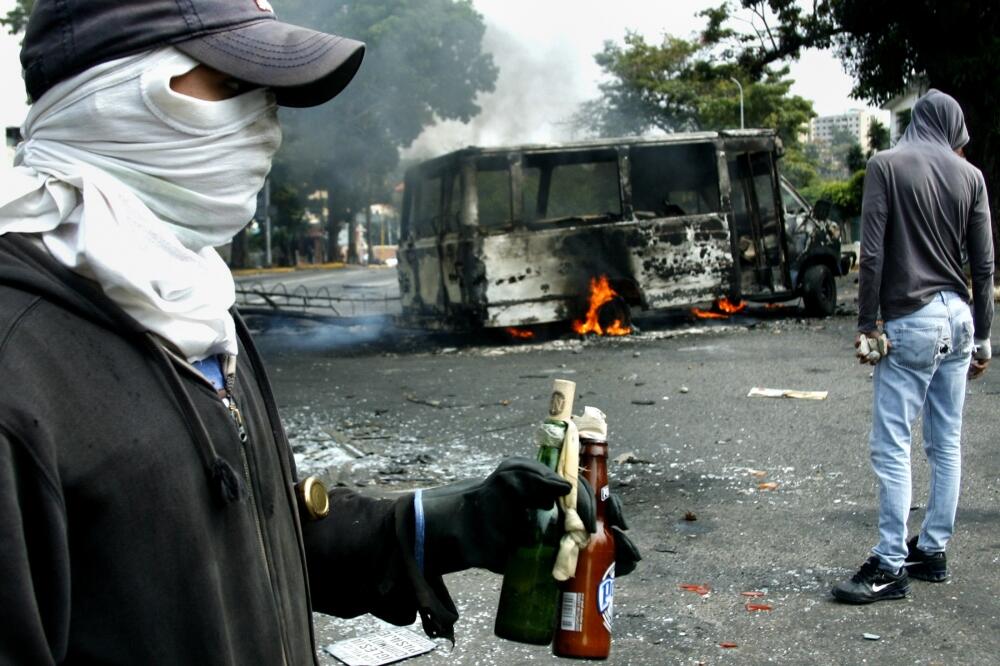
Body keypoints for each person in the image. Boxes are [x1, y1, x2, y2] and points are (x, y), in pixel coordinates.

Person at [0, 1, 639, 663]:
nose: (263, 127)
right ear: (108, 96)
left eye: (268, 98)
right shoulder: (16, 369)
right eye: (228, 85)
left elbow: (253, 536)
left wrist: (459, 522)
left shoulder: (194, 307)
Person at [831, 89, 993, 604]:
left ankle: (889, 564)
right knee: (945, 442)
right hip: (960, 320)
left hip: (913, 320)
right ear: (952, 127)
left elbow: (872, 249)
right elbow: (984, 266)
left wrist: (867, 323)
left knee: (892, 444)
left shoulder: (887, 164)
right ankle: (932, 551)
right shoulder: (971, 176)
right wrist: (986, 339)